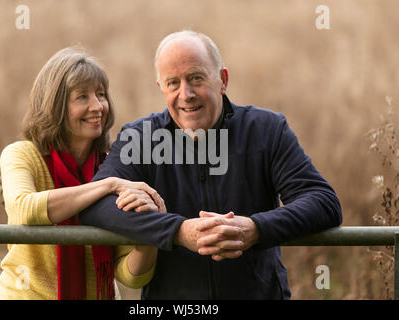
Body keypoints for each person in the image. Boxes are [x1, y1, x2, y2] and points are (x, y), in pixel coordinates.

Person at [79, 30, 343, 299]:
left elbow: (323, 201)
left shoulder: (267, 130)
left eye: (196, 78)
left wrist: (255, 229)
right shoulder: (140, 138)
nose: (187, 94)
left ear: (223, 80)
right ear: (161, 89)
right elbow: (94, 205)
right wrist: (178, 231)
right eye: (173, 83)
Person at [0, 47, 167, 300]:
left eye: (101, 94)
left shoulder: (114, 167)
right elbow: (24, 210)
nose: (97, 106)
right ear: (56, 105)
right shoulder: (21, 154)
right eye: (81, 97)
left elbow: (131, 276)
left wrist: (151, 229)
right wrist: (106, 186)